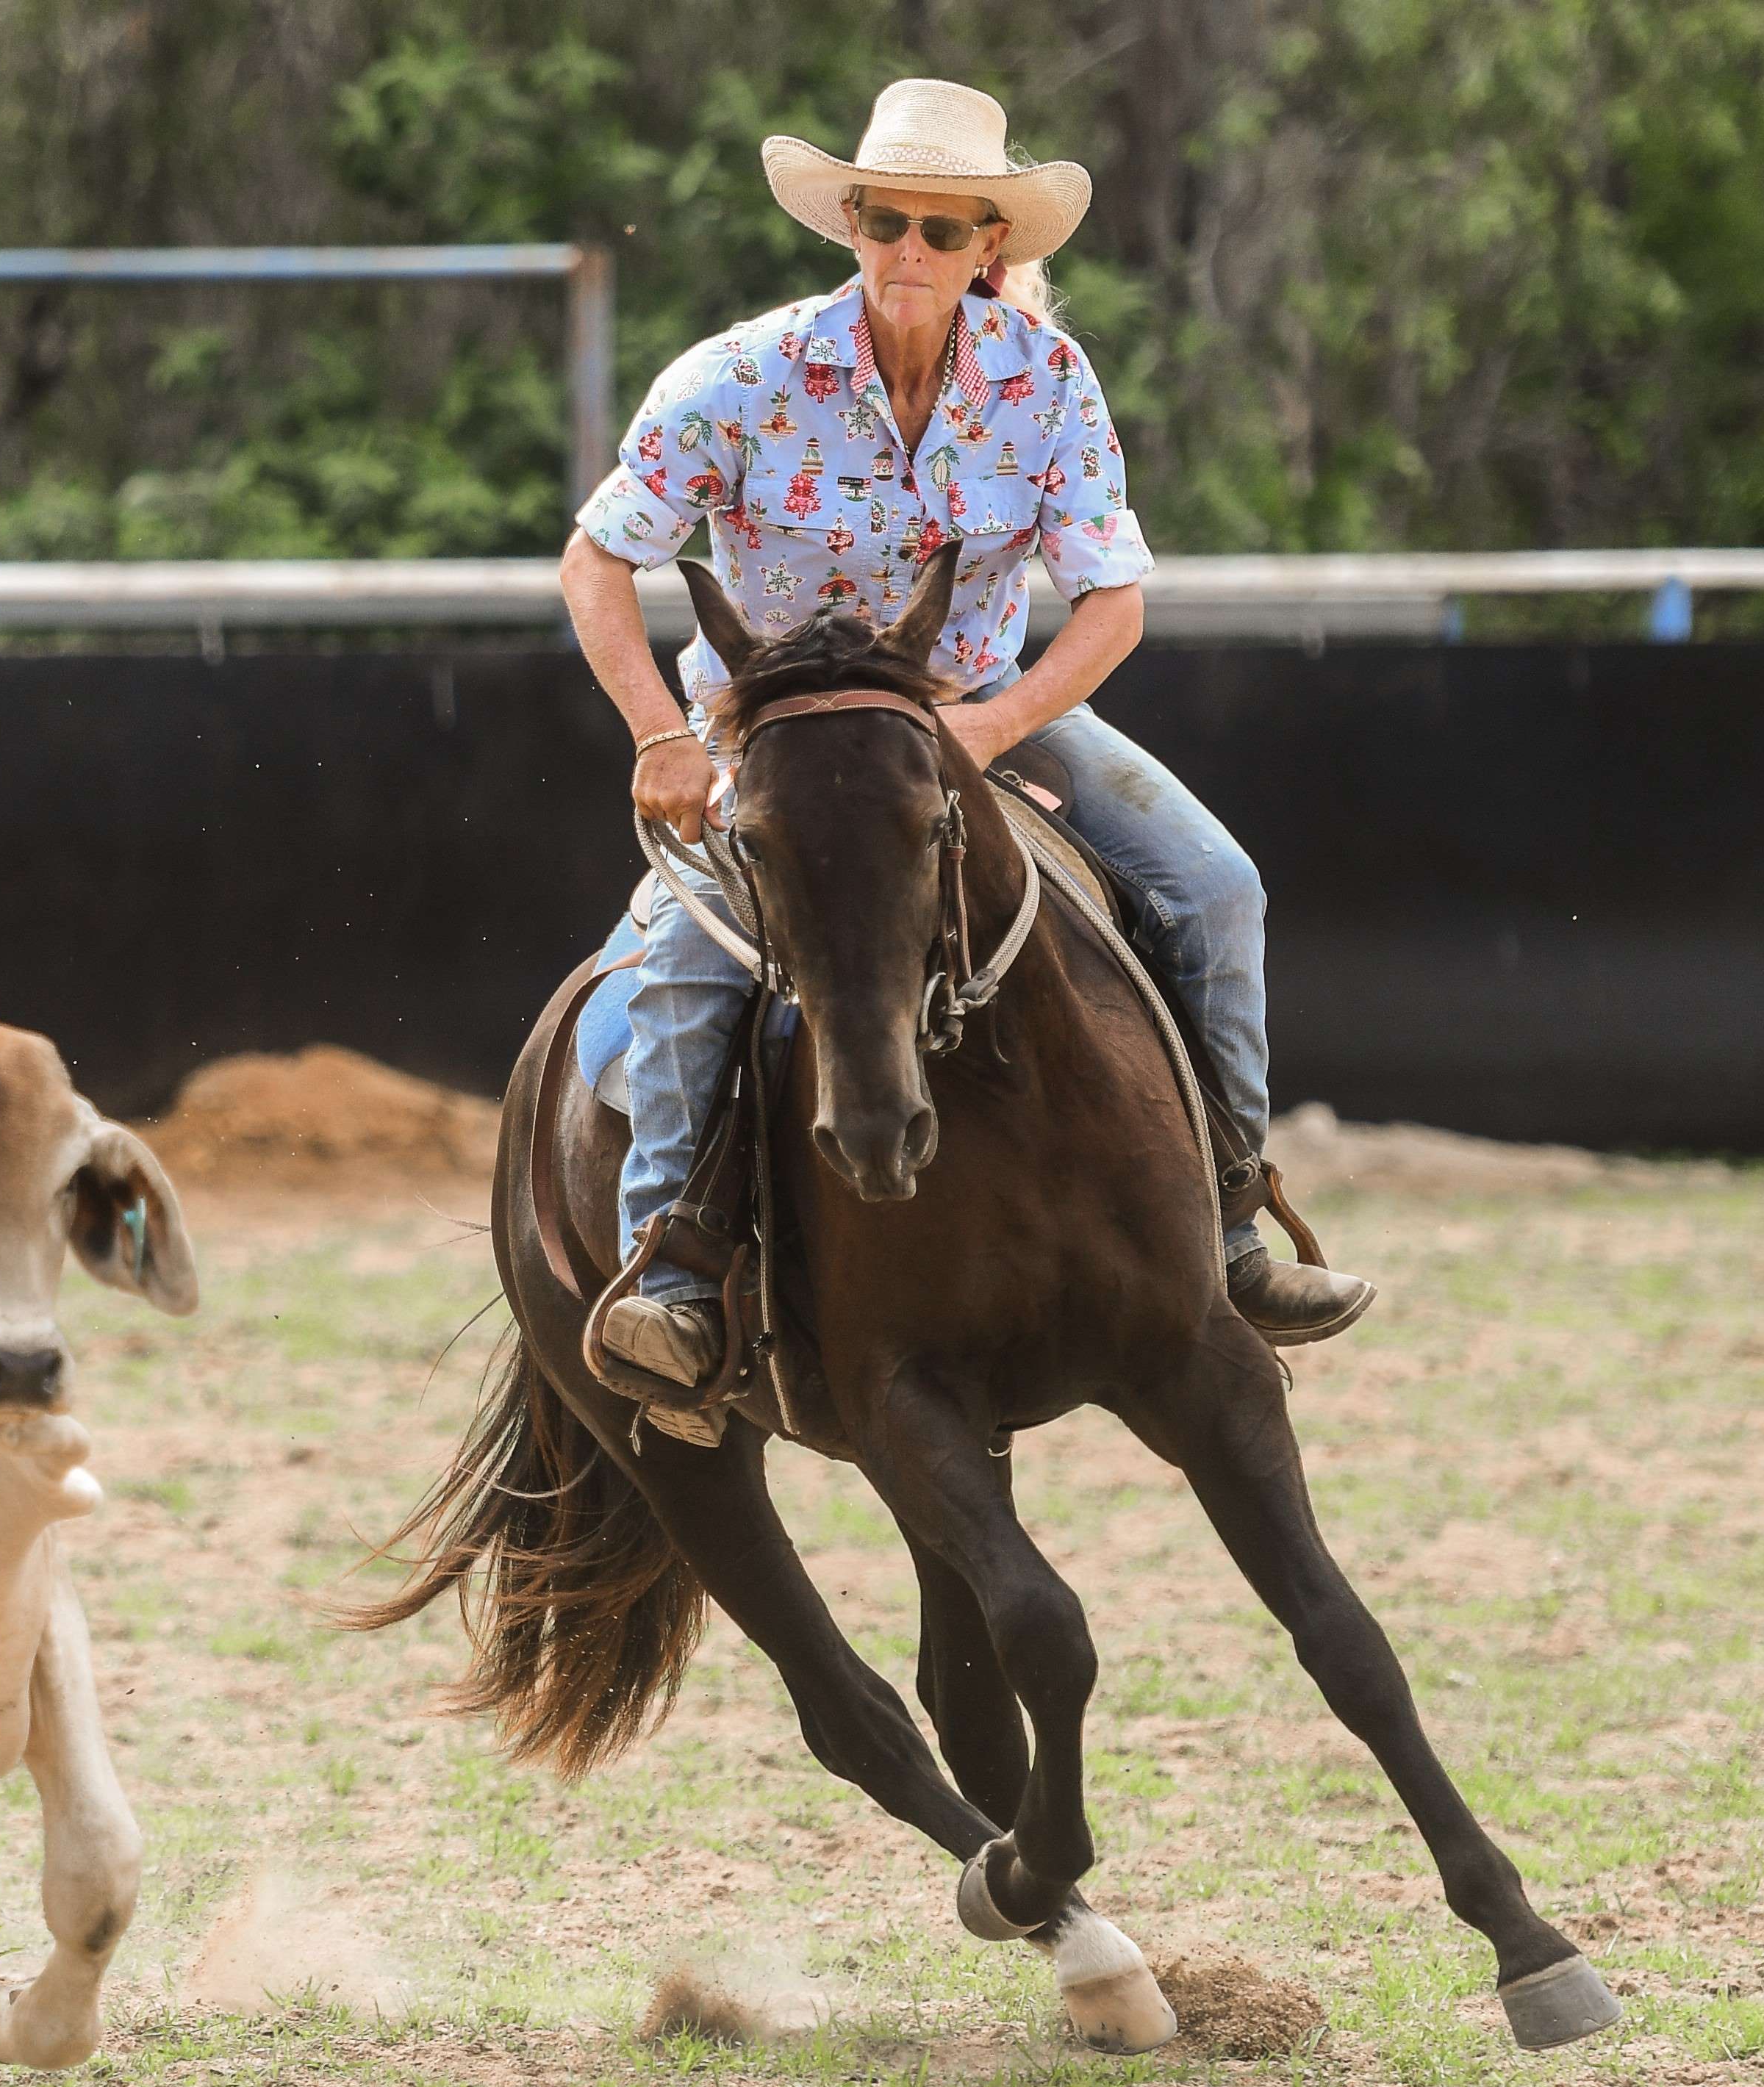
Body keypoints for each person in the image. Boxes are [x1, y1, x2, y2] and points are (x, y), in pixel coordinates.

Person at [558, 79, 1375, 1407]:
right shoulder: (738, 377)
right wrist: (661, 731)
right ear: (851, 223)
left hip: (986, 712)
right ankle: (674, 1272)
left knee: (1216, 888)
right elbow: (596, 559)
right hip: (778, 742)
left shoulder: (1046, 381)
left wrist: (991, 724)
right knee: (692, 960)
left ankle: (1231, 1222)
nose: (909, 251)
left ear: (988, 246)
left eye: (942, 230)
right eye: (886, 221)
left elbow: (1112, 603)